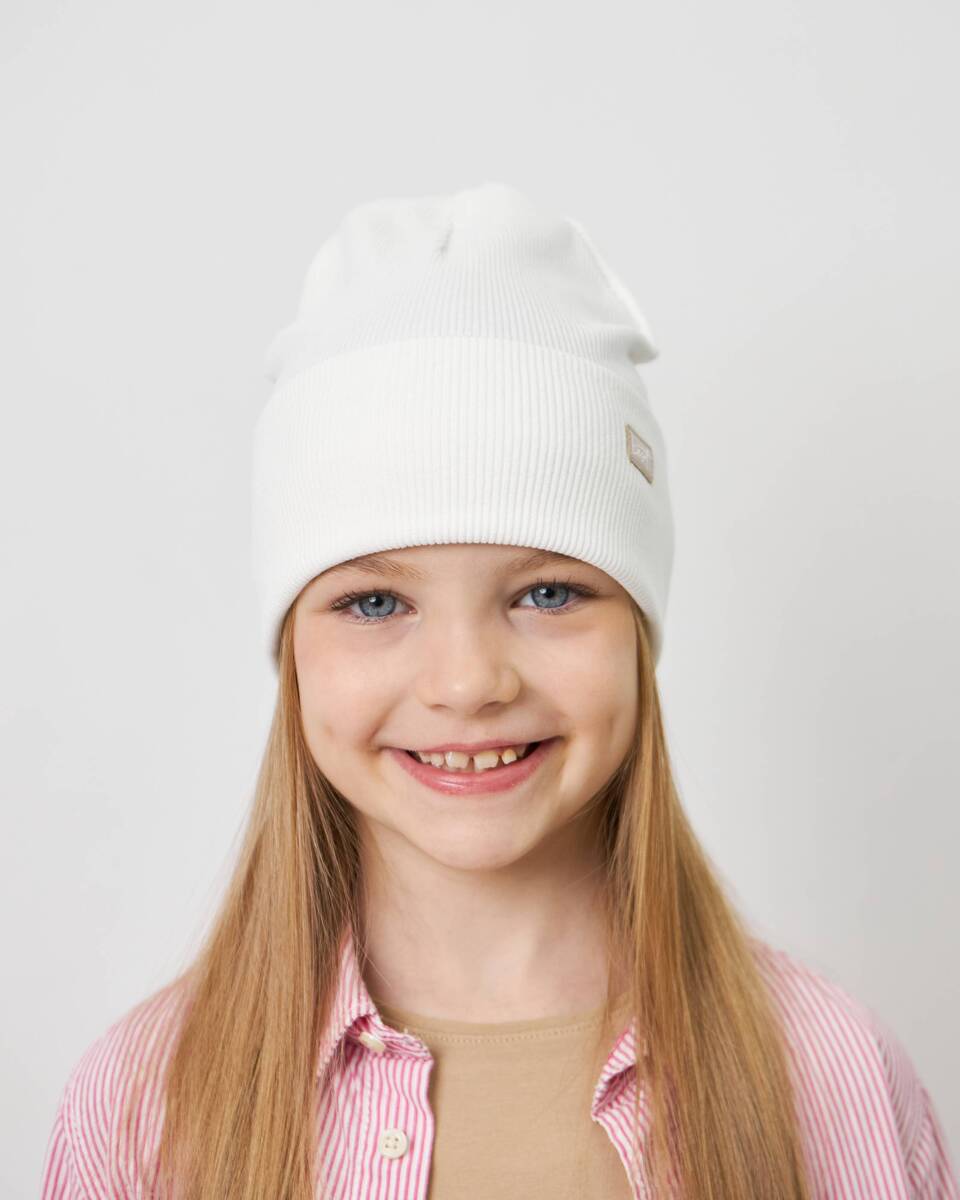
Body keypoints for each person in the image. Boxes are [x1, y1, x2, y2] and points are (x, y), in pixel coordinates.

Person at [40, 182, 958, 1199]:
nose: (468, 682)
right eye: (375, 603)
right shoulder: (143, 1105)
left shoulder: (830, 1077)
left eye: (548, 592)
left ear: (639, 631)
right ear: (293, 649)